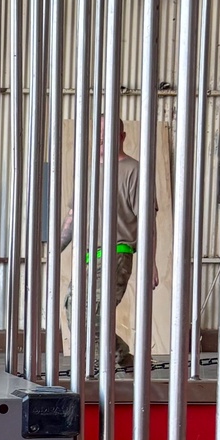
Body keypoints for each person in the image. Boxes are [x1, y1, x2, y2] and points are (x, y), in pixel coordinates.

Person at [61, 121, 159, 372]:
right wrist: (52, 251)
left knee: (94, 316)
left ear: (122, 135)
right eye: (99, 130)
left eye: (109, 131)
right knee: (74, 311)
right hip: (87, 257)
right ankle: (120, 357)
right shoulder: (90, 172)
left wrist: (151, 263)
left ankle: (95, 371)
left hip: (117, 253)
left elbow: (147, 221)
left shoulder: (134, 171)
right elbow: (73, 217)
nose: (102, 135)